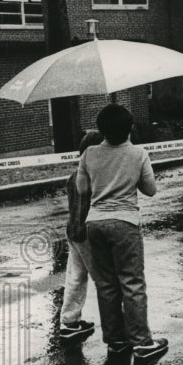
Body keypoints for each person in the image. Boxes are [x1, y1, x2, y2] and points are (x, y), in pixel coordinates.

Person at [77, 103, 169, 365]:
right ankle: (142, 343)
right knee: (132, 284)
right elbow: (150, 190)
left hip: (94, 224)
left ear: (101, 129)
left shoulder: (89, 154)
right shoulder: (138, 154)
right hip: (125, 223)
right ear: (130, 128)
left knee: (106, 285)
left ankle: (116, 341)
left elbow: (82, 189)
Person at [59, 130, 105, 343]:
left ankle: (70, 322)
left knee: (75, 276)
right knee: (104, 279)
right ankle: (116, 324)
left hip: (73, 231)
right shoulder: (93, 177)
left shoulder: (73, 176)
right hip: (88, 233)